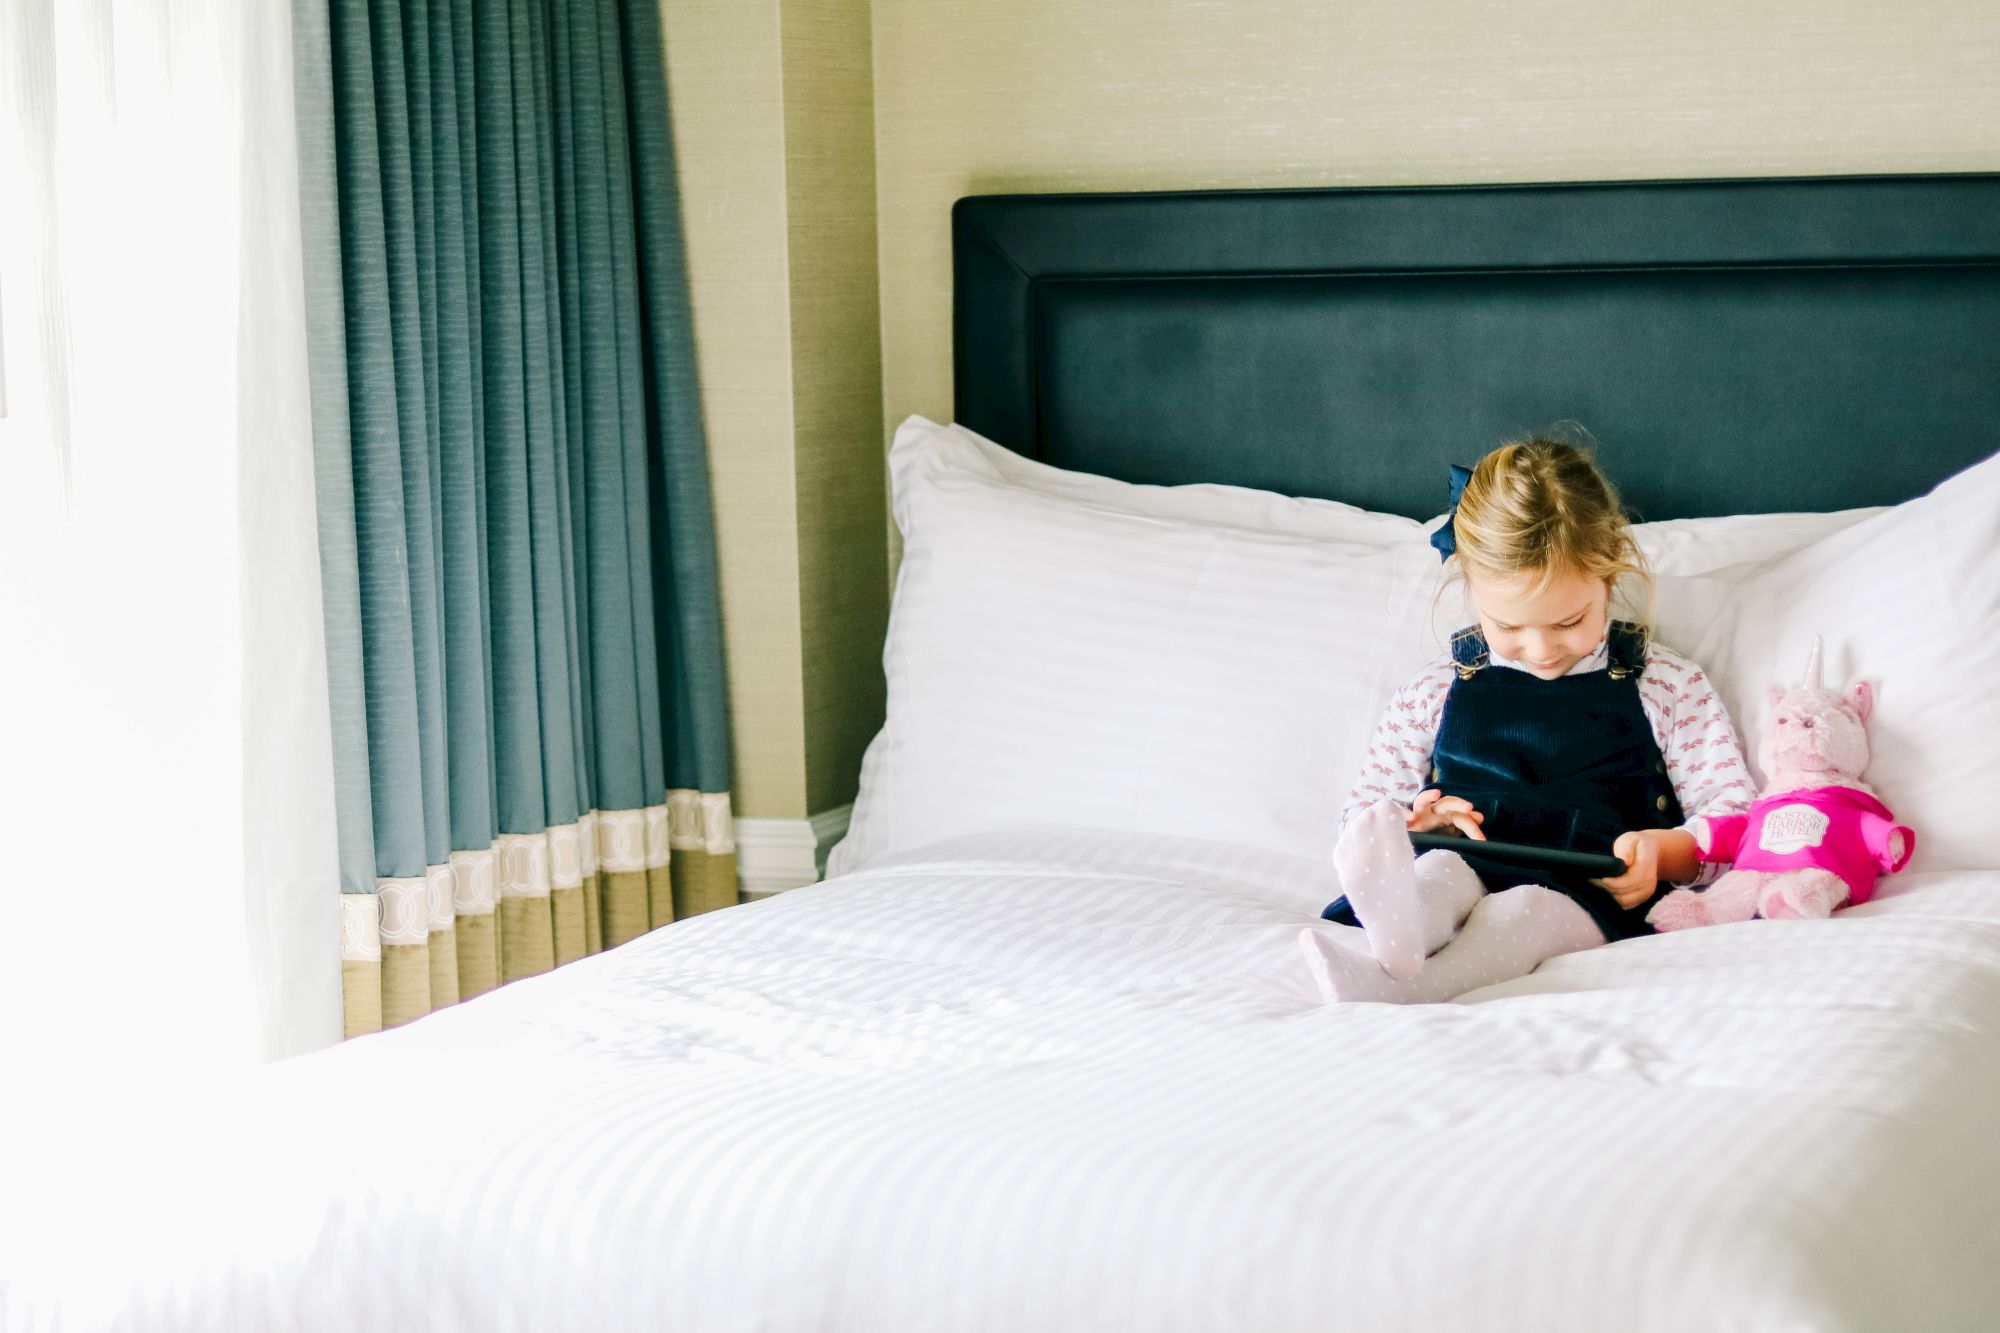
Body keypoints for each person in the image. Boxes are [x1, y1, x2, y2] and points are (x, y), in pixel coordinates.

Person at [1299, 436, 1754, 1003]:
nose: (1540, 650)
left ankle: (1403, 987)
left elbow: (1735, 818)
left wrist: (1664, 853)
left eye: (1569, 621)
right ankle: (1403, 926)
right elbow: (1363, 817)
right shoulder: (1433, 690)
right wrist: (1416, 823)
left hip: (1588, 893)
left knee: (1522, 911)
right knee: (1439, 873)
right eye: (1509, 627)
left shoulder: (1666, 685)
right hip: (1466, 861)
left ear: (1609, 574)